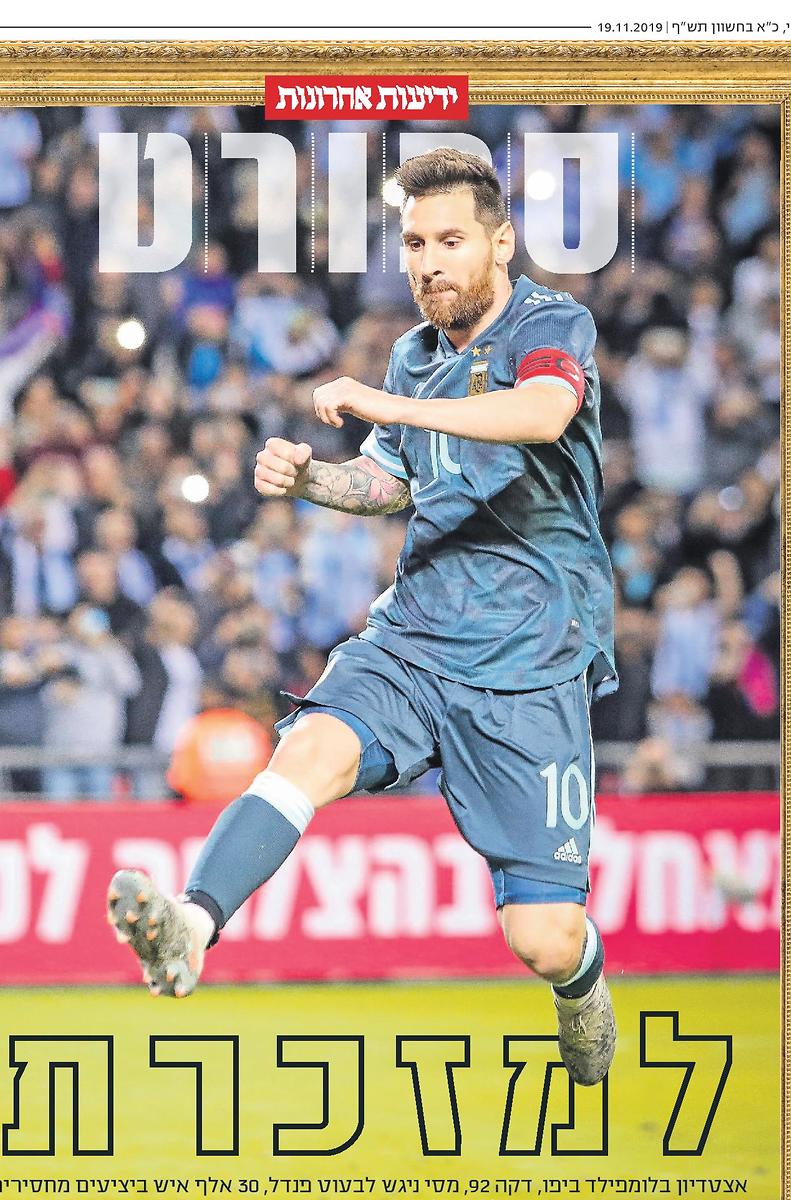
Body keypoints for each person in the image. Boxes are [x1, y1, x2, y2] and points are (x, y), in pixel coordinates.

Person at [109, 147, 618, 1087]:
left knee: (541, 937)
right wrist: (312, 478)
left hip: (530, 661)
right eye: (416, 244)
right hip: (414, 636)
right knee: (309, 752)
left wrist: (384, 402)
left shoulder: (552, 324)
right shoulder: (414, 356)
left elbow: (544, 412)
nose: (430, 262)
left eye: (452, 240)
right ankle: (192, 924)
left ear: (502, 241)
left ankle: (581, 979)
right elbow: (389, 481)